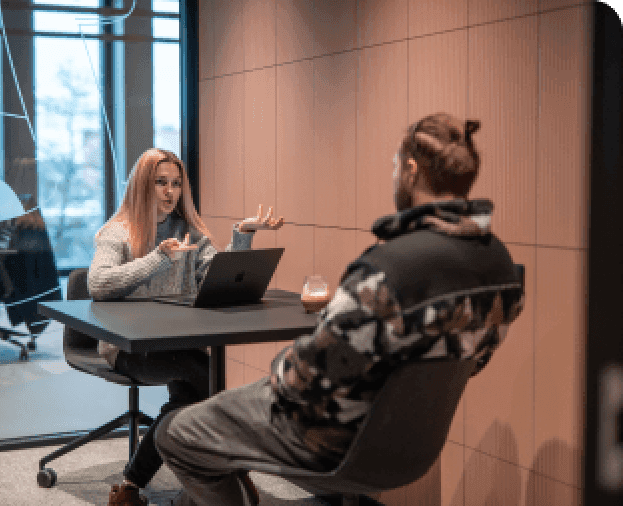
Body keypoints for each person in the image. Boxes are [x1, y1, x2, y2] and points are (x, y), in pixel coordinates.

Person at [153, 113, 526, 506]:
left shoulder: (389, 269)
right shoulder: (501, 266)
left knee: (174, 434)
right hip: (414, 445)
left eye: (396, 166)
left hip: (327, 438)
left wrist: (282, 362)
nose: (395, 175)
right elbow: (473, 360)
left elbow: (304, 380)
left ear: (412, 170)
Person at [88, 147, 284, 506]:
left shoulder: (187, 229)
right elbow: (98, 283)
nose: (169, 192)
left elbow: (218, 276)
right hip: (129, 347)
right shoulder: (118, 232)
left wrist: (242, 234)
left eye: (176, 184)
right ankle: (227, 471)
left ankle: (130, 487)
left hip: (176, 342)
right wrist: (159, 258)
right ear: (142, 186)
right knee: (205, 379)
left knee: (188, 398)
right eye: (161, 182)